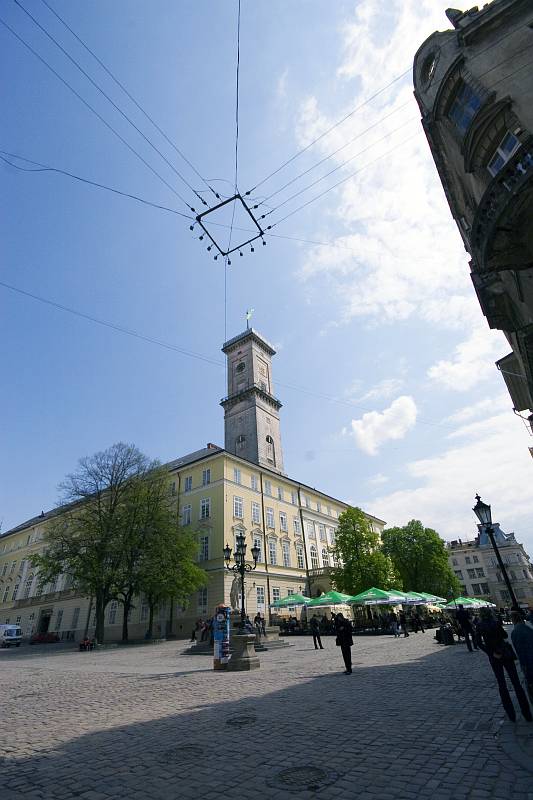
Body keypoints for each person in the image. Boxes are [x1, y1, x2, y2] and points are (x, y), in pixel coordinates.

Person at [476, 608, 532, 722]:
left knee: (502, 684)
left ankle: (511, 714)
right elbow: (505, 635)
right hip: (505, 653)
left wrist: (491, 652)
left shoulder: (480, 625)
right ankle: (526, 712)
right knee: (516, 683)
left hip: (494, 656)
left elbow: (478, 642)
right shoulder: (496, 623)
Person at [511, 611, 533, 702]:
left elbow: (520, 652)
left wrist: (524, 666)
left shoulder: (515, 632)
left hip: (528, 663)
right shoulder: (528, 629)